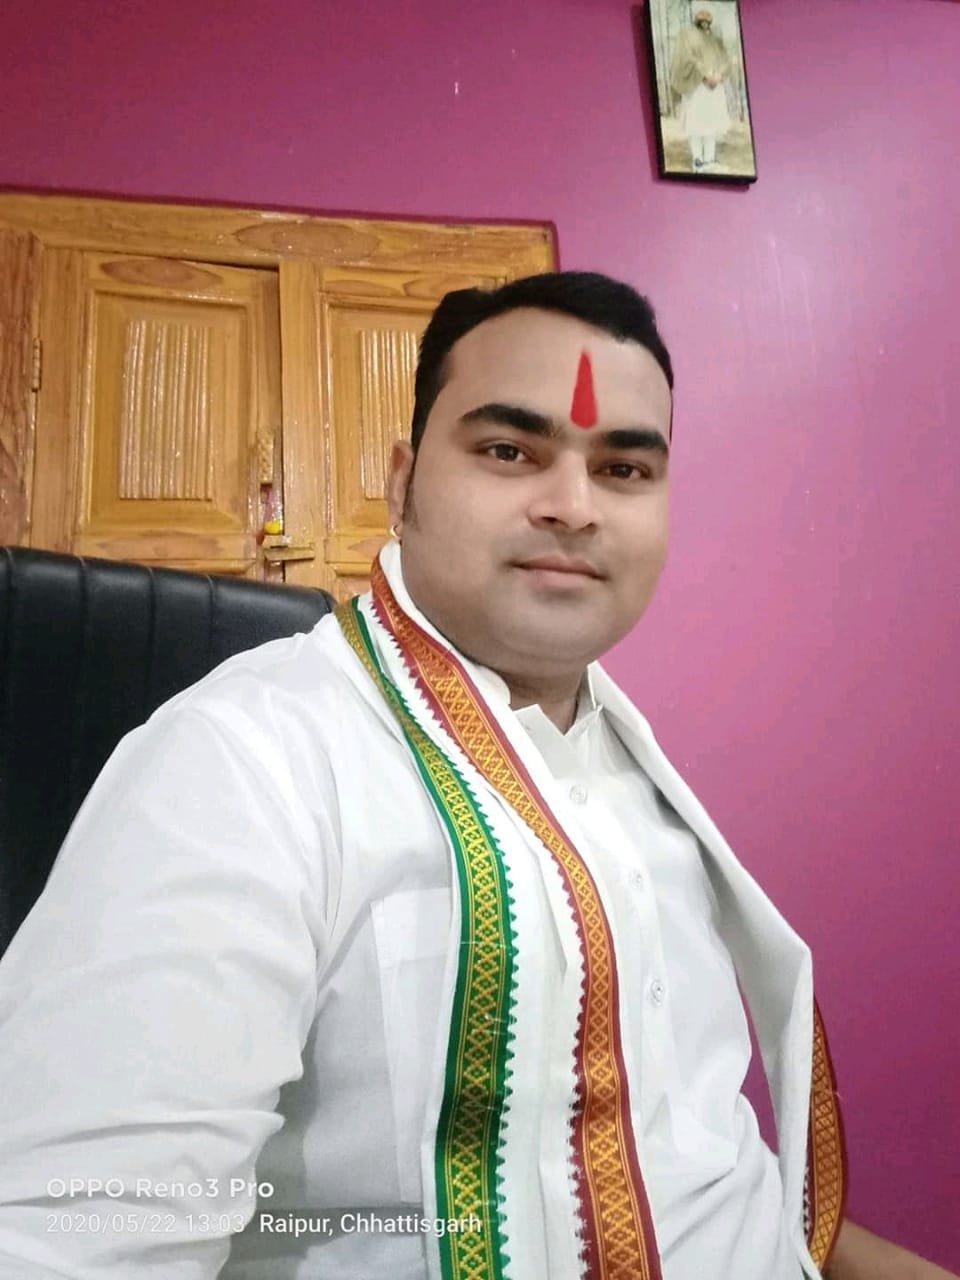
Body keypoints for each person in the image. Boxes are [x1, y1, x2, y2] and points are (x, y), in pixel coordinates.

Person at [0, 272, 953, 1280]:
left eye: (624, 468)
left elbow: (698, 1172)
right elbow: (69, 1238)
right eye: (509, 450)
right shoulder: (248, 763)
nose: (574, 507)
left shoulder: (633, 773)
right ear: (402, 481)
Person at [670, 7, 732, 172]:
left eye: (708, 15)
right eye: (701, 14)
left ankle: (709, 160)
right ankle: (697, 161)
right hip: (696, 85)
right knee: (696, 123)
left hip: (715, 86)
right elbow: (684, 57)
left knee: (711, 124)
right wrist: (704, 74)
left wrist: (719, 74)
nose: (705, 17)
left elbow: (724, 58)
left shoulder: (715, 38)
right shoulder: (686, 35)